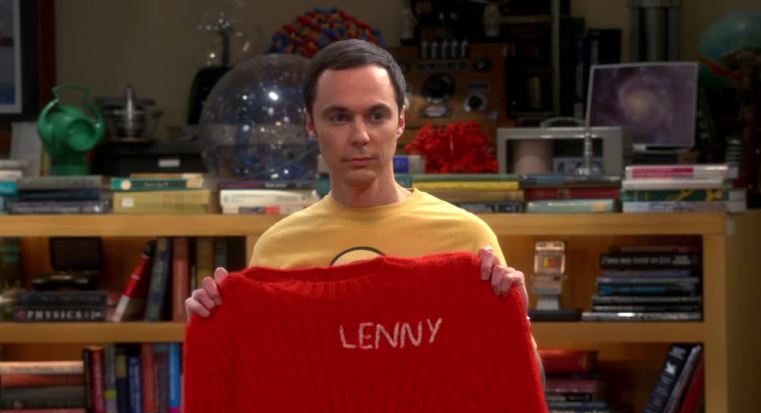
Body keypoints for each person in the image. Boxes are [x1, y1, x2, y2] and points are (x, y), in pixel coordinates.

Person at [185, 39, 531, 340]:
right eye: (339, 117)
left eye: (377, 116)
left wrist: (514, 320)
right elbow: (260, 378)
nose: (360, 136)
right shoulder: (276, 249)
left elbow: (517, 382)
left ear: (400, 121)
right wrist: (213, 328)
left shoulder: (467, 239)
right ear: (310, 124)